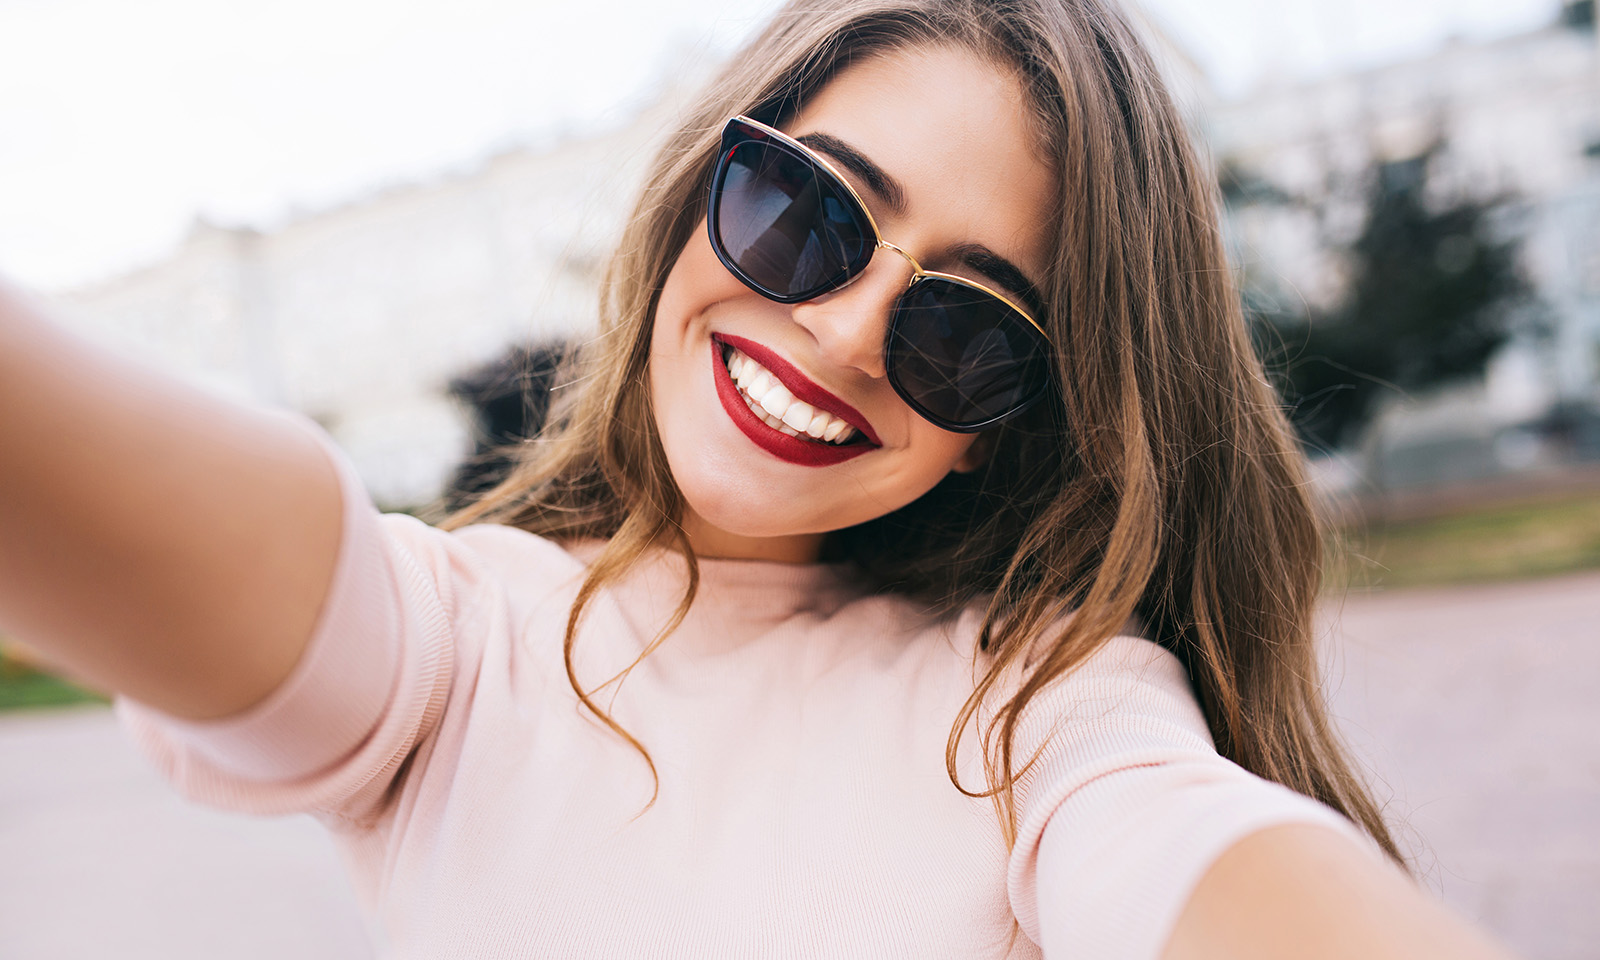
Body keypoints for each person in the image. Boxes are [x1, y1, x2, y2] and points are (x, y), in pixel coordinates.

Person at [0, 0, 1518, 957]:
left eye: (966, 334)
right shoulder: (459, 650)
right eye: (806, 211)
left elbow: (1190, 848)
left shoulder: (1043, 704)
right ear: (700, 188)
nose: (848, 334)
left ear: (1028, 420)